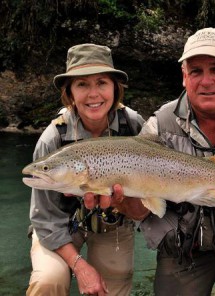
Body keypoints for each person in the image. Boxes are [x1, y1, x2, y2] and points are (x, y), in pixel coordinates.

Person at [86, 28, 215, 295]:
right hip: (184, 251)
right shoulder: (158, 125)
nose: (206, 81)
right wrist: (124, 202)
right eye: (196, 71)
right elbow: (143, 210)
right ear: (184, 77)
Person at [26, 43, 149, 296]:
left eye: (102, 82)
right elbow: (44, 219)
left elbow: (150, 190)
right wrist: (80, 267)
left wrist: (129, 203)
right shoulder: (52, 138)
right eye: (82, 84)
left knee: (110, 289)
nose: (93, 94)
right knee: (49, 280)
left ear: (116, 88)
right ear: (69, 93)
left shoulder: (134, 124)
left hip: (113, 223)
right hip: (59, 224)